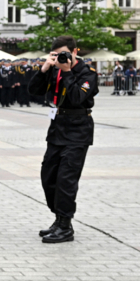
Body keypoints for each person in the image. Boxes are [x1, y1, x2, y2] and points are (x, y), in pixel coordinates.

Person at [28, 35, 99, 243]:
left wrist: (67, 71)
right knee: (48, 176)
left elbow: (77, 96)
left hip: (78, 129)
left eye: (64, 54)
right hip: (57, 127)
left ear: (75, 52)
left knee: (66, 179)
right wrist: (44, 69)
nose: (61, 58)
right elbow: (33, 91)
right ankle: (59, 217)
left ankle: (65, 225)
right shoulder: (54, 69)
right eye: (57, 55)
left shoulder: (88, 73)